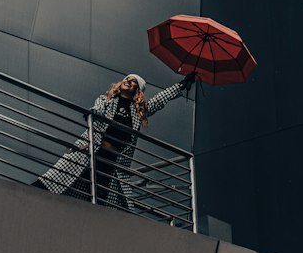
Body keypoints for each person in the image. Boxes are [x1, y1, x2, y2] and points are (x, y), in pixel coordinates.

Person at [34, 72, 195, 213]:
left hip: (112, 162)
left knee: (99, 197)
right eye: (127, 78)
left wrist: (181, 85)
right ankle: (32, 192)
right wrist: (93, 113)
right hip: (91, 152)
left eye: (133, 82)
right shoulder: (108, 99)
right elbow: (97, 107)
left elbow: (160, 100)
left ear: (137, 91)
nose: (128, 81)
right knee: (60, 177)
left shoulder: (138, 111)